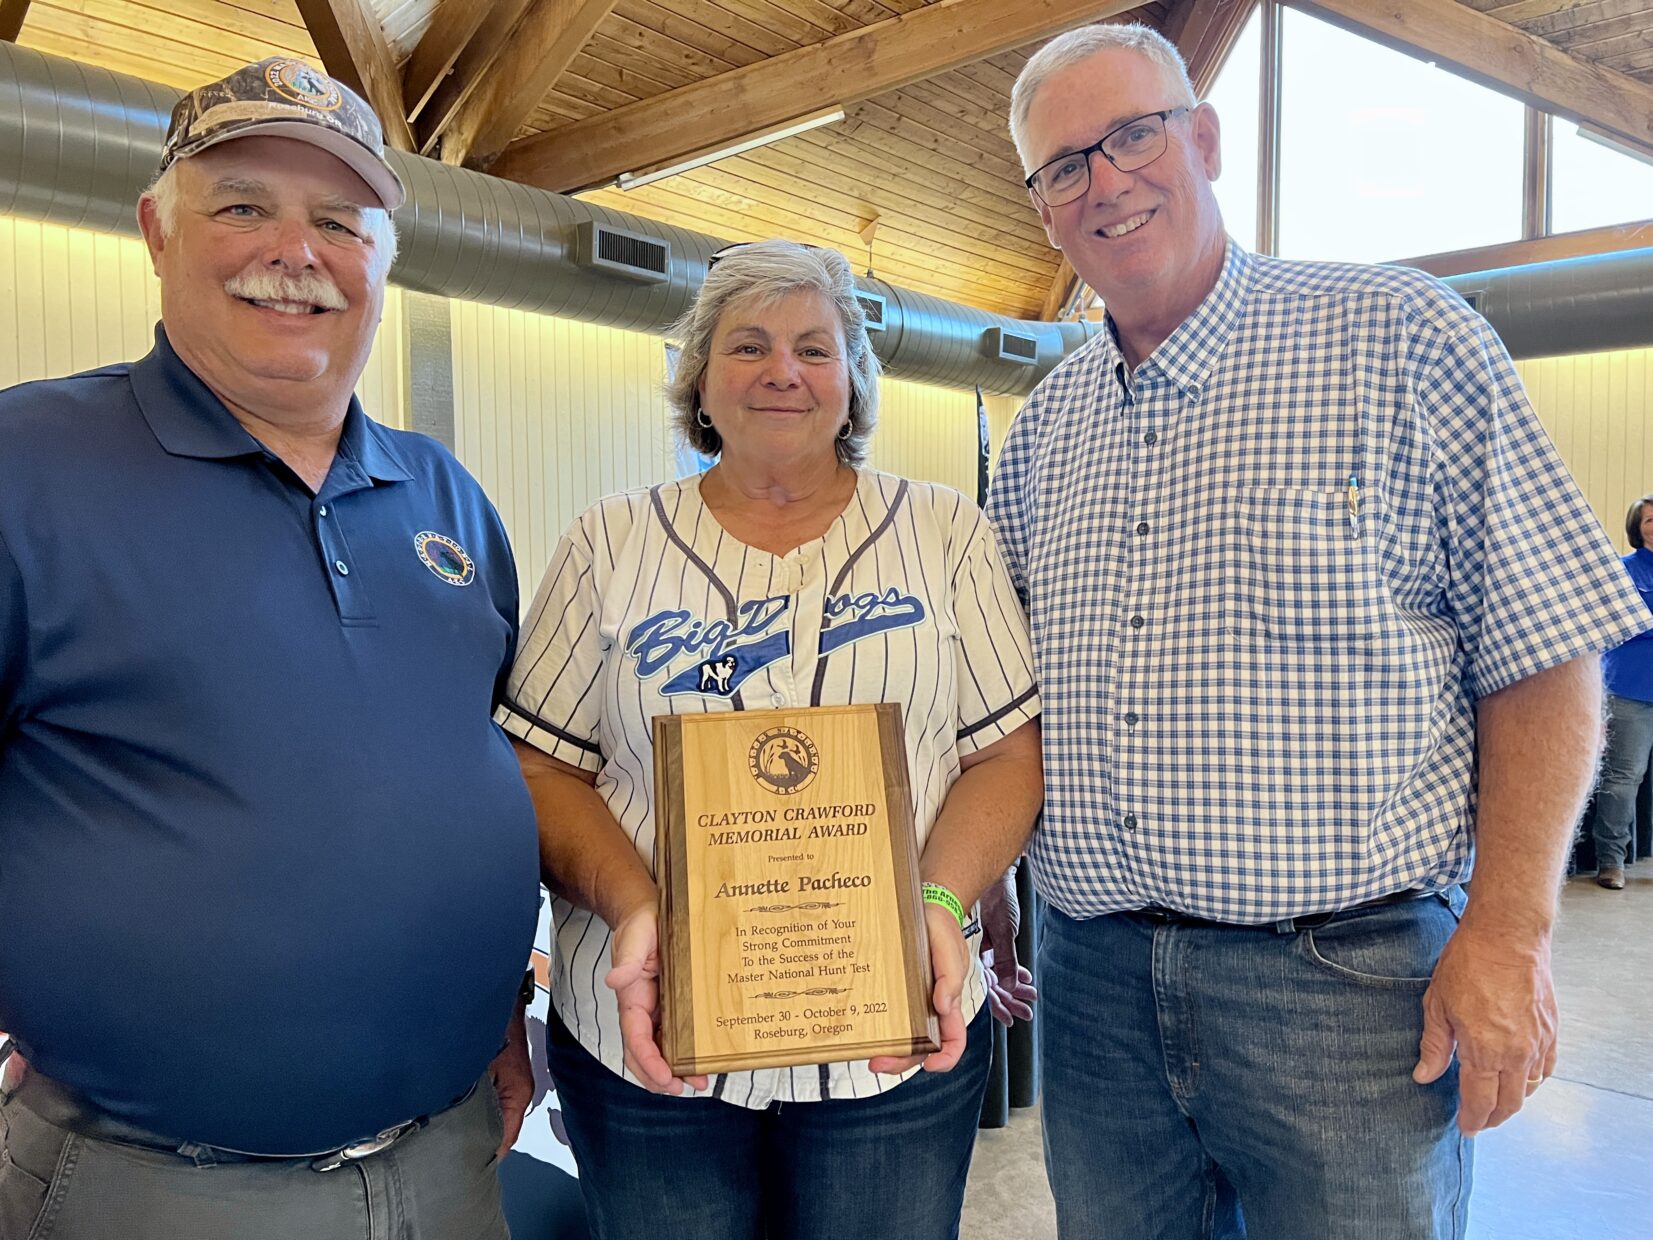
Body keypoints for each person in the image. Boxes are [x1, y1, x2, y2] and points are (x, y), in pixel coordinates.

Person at [989, 21, 1652, 1240]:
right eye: (1063, 165)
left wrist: (1510, 931)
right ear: (1043, 213)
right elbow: (1011, 716)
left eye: (1132, 135)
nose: (1106, 181)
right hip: (1094, 990)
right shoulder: (1040, 437)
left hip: (1346, 992)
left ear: (1205, 138)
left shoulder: (1401, 338)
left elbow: (1548, 650)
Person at [0, 60, 539, 1239]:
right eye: (243, 204)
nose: (294, 251)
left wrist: (502, 1006)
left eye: (339, 221)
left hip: (449, 1160)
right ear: (155, 228)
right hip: (155, 1184)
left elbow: (479, 767)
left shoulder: (444, 495)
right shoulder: (24, 466)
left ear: (381, 261)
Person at [499, 239, 1043, 1240]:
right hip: (648, 1044)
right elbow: (539, 765)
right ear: (701, 379)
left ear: (854, 380)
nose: (781, 370)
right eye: (747, 346)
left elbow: (1005, 755)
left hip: (896, 1039)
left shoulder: (946, 532)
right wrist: (635, 906)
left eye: (813, 347)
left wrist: (934, 897)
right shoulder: (607, 542)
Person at [1591, 495, 1653, 888]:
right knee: (1623, 778)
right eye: (1649, 519)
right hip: (1630, 690)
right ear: (1637, 527)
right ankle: (1610, 860)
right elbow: (1621, 623)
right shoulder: (1622, 571)